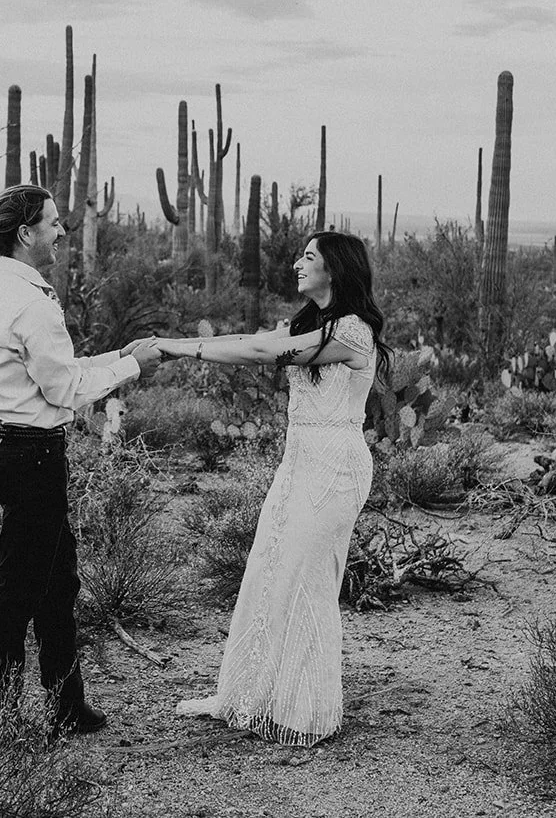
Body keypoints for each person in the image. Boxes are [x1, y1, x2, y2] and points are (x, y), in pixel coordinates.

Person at [155, 231, 391, 746]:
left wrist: (177, 347)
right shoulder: (312, 325)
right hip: (298, 459)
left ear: (337, 268)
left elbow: (264, 351)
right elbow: (247, 342)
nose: (297, 263)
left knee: (306, 576)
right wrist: (170, 350)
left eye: (309, 256)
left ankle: (305, 710)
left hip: (334, 464)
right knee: (269, 568)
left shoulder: (351, 332)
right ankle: (248, 695)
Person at [0, 184, 161, 735]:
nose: (60, 231)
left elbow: (54, 370)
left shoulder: (2, 289)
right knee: (21, 587)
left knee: (56, 578)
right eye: (52, 223)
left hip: (14, 450)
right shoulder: (31, 300)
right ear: (25, 234)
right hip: (32, 456)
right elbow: (63, 390)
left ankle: (66, 703)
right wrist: (133, 368)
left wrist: (117, 356)